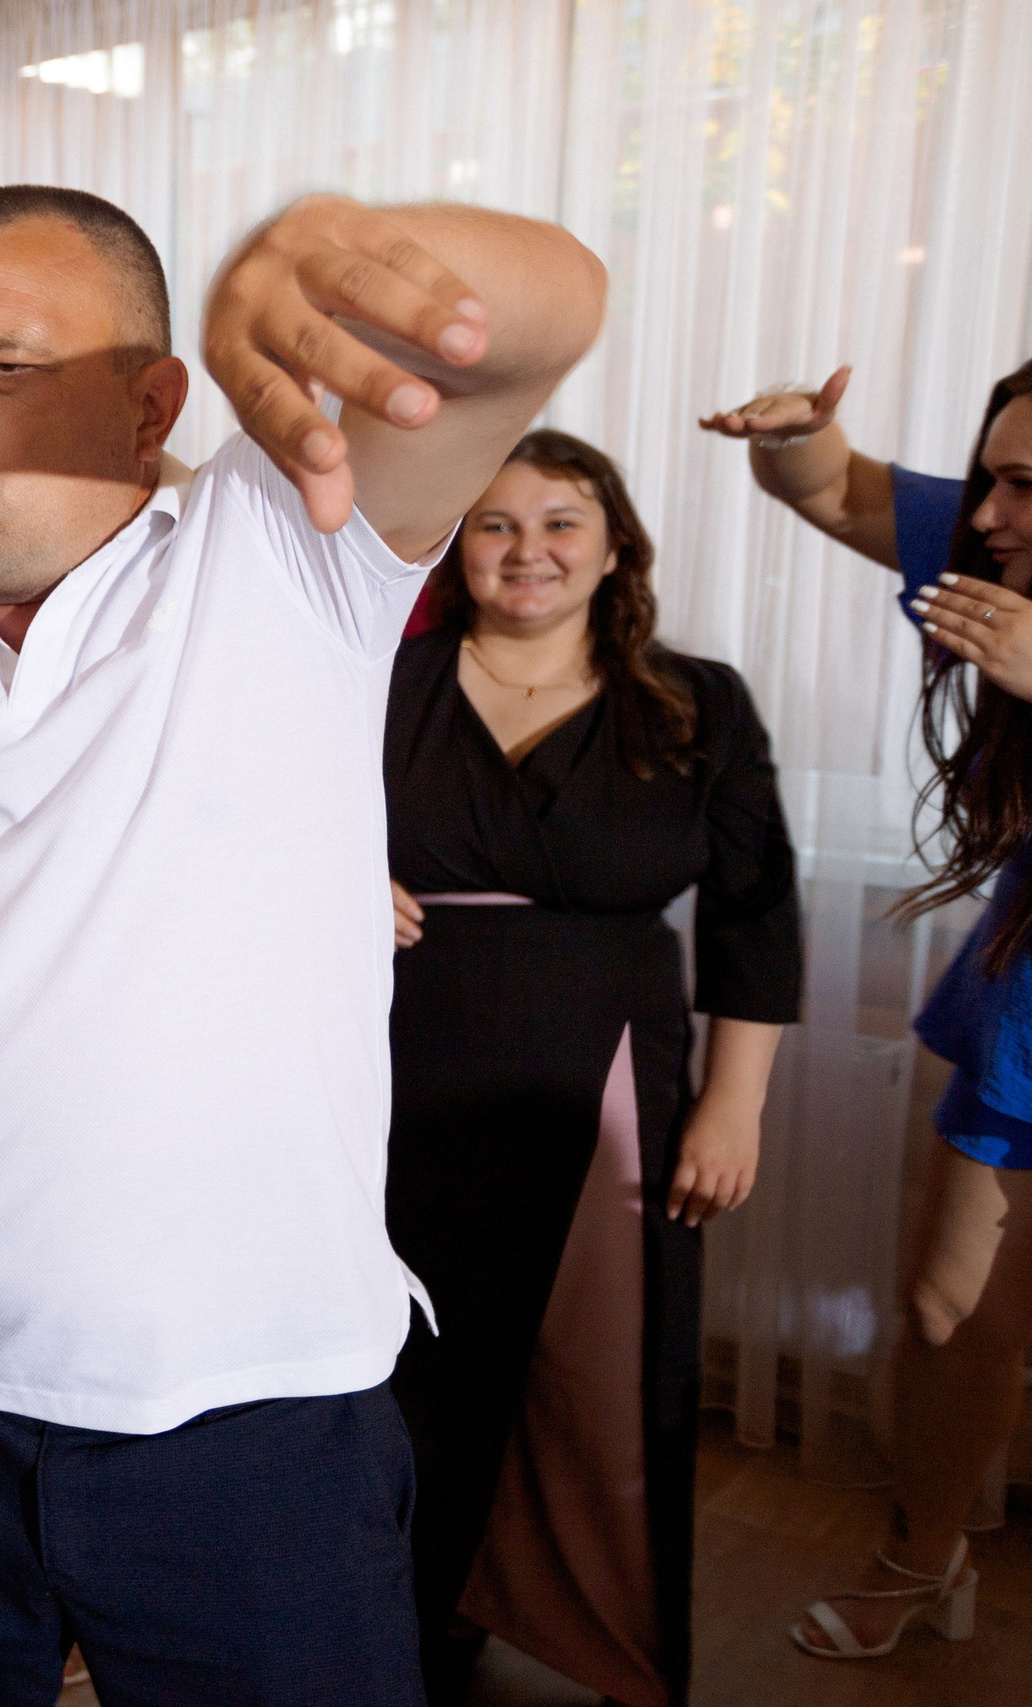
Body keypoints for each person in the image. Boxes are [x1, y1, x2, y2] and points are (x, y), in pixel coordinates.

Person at [0, 183, 608, 1705]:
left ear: (152, 404)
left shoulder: (282, 541)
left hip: (254, 1411)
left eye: (3, 365)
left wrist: (317, 251)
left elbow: (554, 307)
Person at [383, 431, 800, 1707]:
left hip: (613, 1081)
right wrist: (327, 878)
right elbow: (247, 820)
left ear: (614, 547)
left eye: (560, 522)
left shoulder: (697, 700)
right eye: (496, 524)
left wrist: (732, 1106)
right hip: (394, 1075)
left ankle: (603, 1638)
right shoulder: (378, 679)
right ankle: (415, 1618)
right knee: (408, 1367)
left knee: (607, 1374)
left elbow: (755, 916)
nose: (529, 551)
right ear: (458, 546)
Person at [705, 361, 1032, 1659]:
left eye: (1024, 486)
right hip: (1020, 994)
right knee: (948, 1309)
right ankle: (921, 1556)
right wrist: (799, 437)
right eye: (992, 477)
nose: (991, 515)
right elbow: (836, 491)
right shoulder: (990, 553)